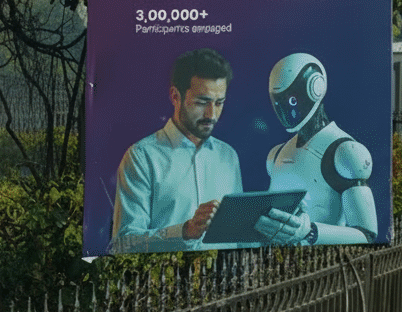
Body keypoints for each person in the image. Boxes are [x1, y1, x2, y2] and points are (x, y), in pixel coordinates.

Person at [111, 48, 246, 253]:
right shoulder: (142, 158)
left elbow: (237, 236)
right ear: (175, 96)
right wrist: (184, 232)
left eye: (219, 103)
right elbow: (123, 243)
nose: (212, 114)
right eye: (202, 102)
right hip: (165, 282)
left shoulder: (228, 156)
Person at [252, 53, 379, 245]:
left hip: (324, 264)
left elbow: (366, 233)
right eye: (279, 102)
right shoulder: (277, 155)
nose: (286, 109)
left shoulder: (345, 153)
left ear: (315, 88)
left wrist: (310, 232)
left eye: (292, 100)